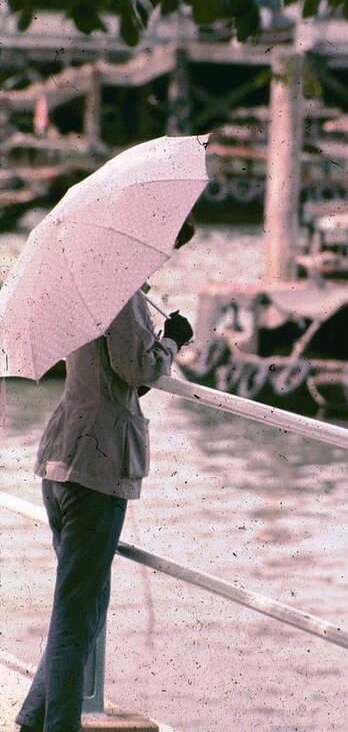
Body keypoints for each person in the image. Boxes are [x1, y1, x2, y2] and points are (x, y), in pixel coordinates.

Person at [15, 217, 196, 732]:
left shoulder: (88, 289)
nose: (164, 255)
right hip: (95, 469)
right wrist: (172, 342)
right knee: (78, 614)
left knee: (84, 602)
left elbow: (112, 375)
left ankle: (35, 718)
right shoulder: (121, 292)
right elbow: (137, 370)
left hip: (64, 456)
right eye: (168, 244)